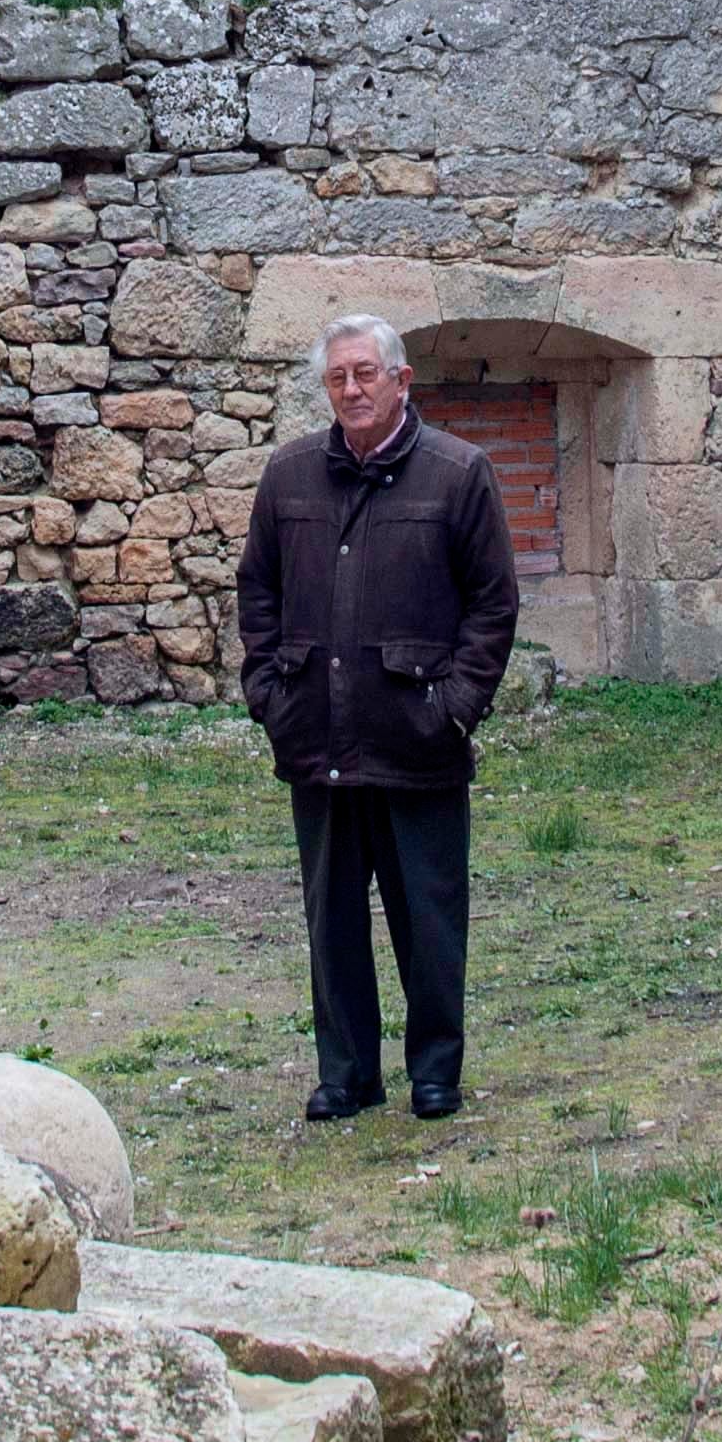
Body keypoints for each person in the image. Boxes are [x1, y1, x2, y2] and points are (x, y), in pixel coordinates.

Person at [235, 311, 520, 1121]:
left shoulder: (458, 474)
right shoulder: (289, 477)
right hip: (316, 736)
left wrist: (455, 709)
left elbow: (493, 607)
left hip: (417, 737)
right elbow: (257, 590)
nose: (352, 390)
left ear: (402, 381)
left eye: (366, 374)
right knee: (331, 920)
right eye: (337, 378)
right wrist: (269, 694)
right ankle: (348, 1074)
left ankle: (436, 1072)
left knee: (429, 918)